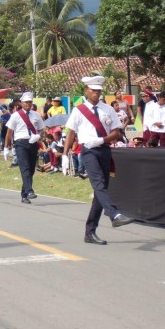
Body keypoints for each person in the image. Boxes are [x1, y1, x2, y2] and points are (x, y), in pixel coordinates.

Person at [63, 75, 135, 246]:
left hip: (103, 149)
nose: (96, 94)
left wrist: (102, 140)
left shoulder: (107, 109)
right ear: (86, 91)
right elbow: (71, 132)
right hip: (88, 151)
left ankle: (90, 232)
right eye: (93, 91)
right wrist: (65, 154)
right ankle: (114, 214)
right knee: (98, 184)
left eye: (99, 91)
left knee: (99, 193)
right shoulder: (78, 110)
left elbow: (116, 132)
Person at [4, 92, 44, 204]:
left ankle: (24, 194)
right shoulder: (15, 115)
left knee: (31, 170)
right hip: (21, 143)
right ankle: (30, 190)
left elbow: (41, 129)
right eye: (26, 102)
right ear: (21, 103)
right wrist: (6, 148)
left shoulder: (36, 115)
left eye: (30, 102)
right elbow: (9, 132)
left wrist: (38, 136)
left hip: (33, 143)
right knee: (25, 167)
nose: (28, 104)